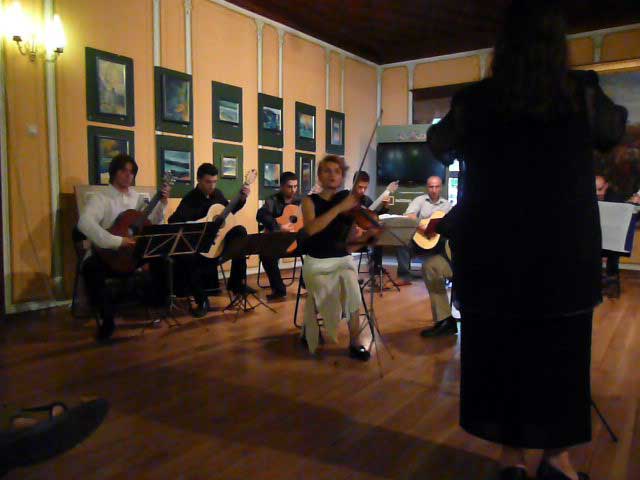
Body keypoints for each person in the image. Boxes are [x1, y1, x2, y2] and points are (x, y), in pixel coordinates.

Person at [428, 2, 628, 480]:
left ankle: (512, 459)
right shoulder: (580, 92)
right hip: (562, 250)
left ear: (503, 46)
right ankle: (557, 460)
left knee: (499, 353)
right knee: (562, 355)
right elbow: (612, 129)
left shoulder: (475, 100)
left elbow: (439, 143)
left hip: (492, 251)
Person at [77, 154, 171, 341]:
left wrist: (162, 203)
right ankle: (107, 320)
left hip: (132, 254)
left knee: (163, 260)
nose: (129, 175)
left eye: (132, 172)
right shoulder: (100, 198)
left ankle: (156, 306)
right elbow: (84, 223)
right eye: (124, 171)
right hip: (107, 254)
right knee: (90, 268)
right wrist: (117, 241)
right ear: (113, 172)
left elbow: (153, 221)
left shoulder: (138, 199)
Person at [299, 155, 373, 360]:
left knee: (351, 286)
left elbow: (350, 244)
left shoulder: (349, 202)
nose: (332, 175)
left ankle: (355, 342)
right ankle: (309, 327)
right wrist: (339, 208)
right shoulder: (309, 201)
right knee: (324, 287)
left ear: (342, 177)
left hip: (342, 259)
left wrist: (365, 237)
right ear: (319, 175)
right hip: (317, 261)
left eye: (337, 171)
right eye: (327, 171)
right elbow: (311, 229)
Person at [168, 163, 253, 317]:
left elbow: (229, 210)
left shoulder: (217, 194)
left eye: (214, 182)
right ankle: (201, 300)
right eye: (208, 182)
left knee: (240, 231)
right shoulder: (190, 199)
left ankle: (236, 283)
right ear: (198, 180)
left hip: (218, 245)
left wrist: (242, 199)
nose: (212, 186)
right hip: (199, 250)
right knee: (184, 255)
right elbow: (173, 221)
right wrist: (202, 218)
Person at [395, 176, 456, 336]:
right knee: (401, 241)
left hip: (437, 242)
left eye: (436, 187)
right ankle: (404, 275)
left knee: (440, 248)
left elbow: (449, 227)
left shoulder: (447, 205)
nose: (434, 190)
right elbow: (409, 216)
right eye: (431, 187)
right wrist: (422, 227)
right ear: (427, 188)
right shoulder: (419, 200)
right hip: (420, 237)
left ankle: (445, 319)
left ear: (441, 187)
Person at [256, 171, 302, 301]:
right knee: (266, 254)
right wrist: (278, 226)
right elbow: (260, 215)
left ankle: (307, 284)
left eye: (295, 186)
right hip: (277, 241)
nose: (293, 190)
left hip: (296, 241)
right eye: (289, 186)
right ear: (281, 186)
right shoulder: (272, 200)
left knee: (314, 249)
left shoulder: (300, 202)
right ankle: (279, 290)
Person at [351, 171, 397, 278]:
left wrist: (385, 207)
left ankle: (376, 268)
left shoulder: (366, 200)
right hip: (349, 237)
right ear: (353, 184)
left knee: (379, 235)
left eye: (365, 188)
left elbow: (375, 216)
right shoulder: (345, 198)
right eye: (360, 187)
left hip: (365, 236)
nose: (363, 190)